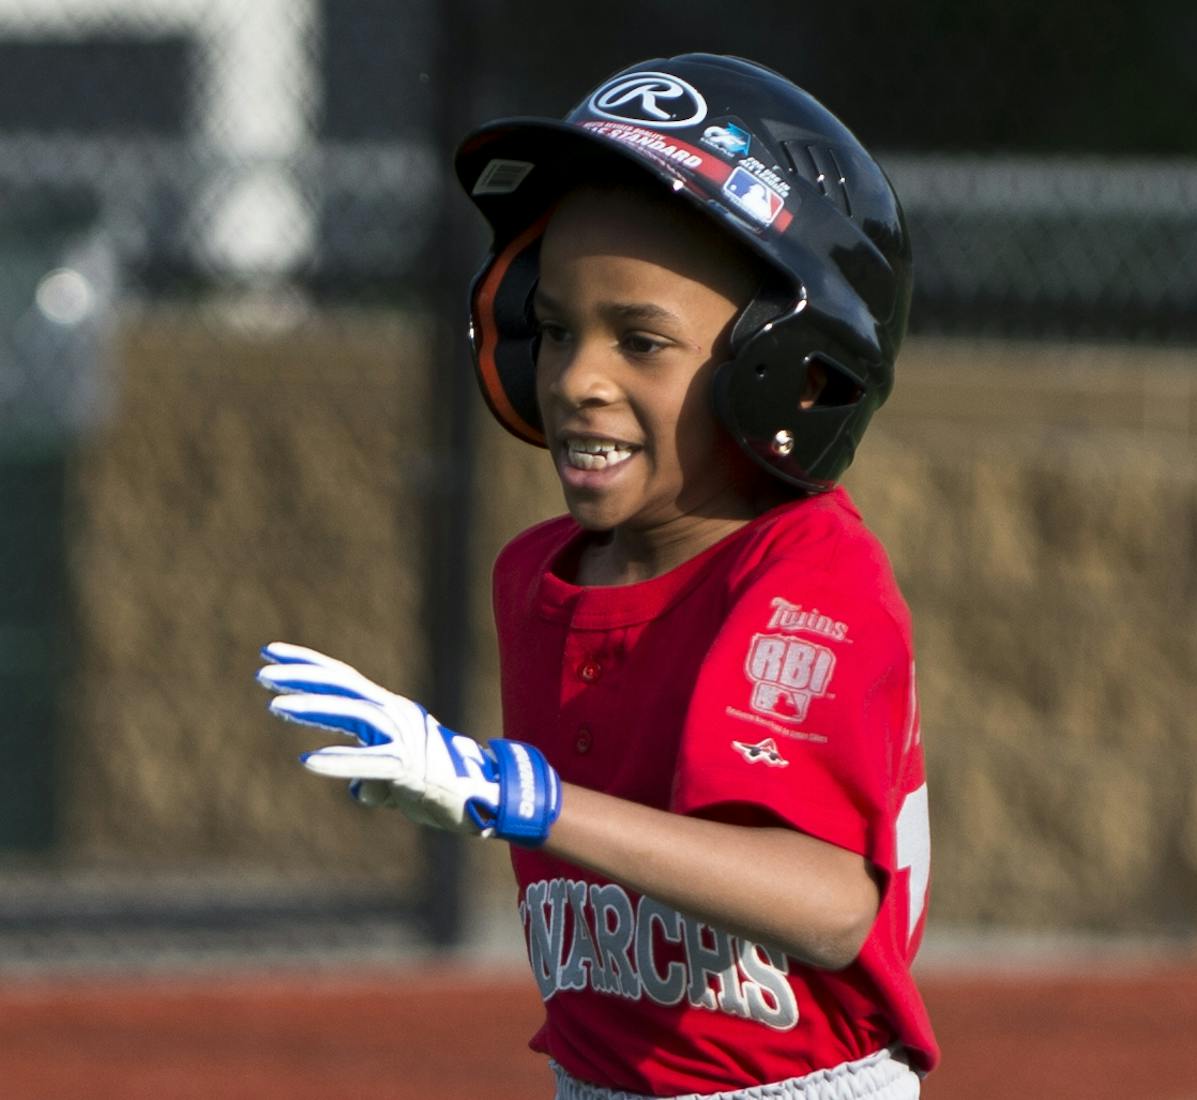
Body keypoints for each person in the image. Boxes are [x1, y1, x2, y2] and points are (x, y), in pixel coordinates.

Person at [258, 53, 937, 1099]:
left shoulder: (809, 578)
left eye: (641, 341)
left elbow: (828, 901)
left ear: (788, 365)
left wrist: (519, 794)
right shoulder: (535, 574)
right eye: (558, 326)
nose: (577, 377)